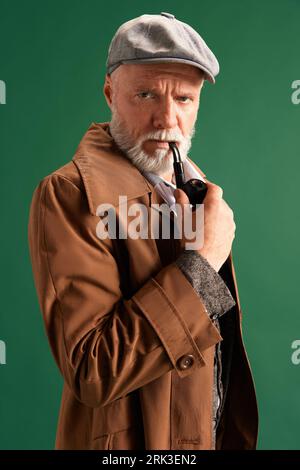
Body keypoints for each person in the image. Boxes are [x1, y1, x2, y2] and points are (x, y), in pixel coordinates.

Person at [27, 12, 258, 450]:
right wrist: (203, 263)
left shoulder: (192, 192)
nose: (166, 119)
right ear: (111, 94)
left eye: (185, 99)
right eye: (146, 94)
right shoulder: (69, 194)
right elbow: (92, 369)